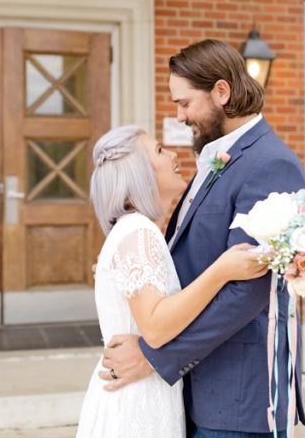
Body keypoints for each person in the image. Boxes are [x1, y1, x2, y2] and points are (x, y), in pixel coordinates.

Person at [98, 39, 305, 438]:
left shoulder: (270, 164)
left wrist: (154, 356)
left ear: (221, 92)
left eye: (184, 103)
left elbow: (248, 290)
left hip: (237, 397)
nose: (179, 116)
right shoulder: (218, 157)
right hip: (198, 388)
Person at [76, 124, 269, 437]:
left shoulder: (135, 231)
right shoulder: (139, 232)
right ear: (139, 174)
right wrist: (221, 271)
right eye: (159, 151)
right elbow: (154, 326)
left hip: (142, 392)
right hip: (137, 400)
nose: (173, 155)